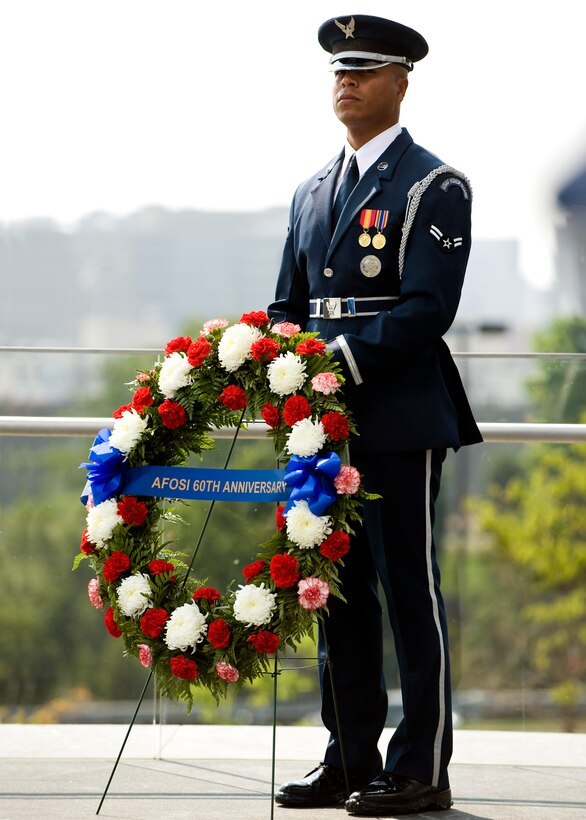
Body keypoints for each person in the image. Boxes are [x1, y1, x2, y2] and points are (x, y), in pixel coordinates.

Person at [267, 13, 482, 818]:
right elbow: (288, 303)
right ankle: (349, 757)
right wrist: (274, 363)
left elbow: (428, 307)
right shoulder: (311, 189)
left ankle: (421, 766)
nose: (345, 81)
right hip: (322, 426)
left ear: (401, 82)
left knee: (409, 594)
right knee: (338, 593)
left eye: (364, 69)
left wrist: (335, 362)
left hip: (397, 416)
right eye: (337, 72)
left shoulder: (435, 185)